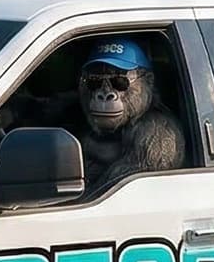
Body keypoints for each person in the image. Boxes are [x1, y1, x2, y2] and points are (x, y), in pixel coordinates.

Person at [75, 36, 185, 194]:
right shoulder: (79, 117)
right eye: (95, 82)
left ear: (148, 82)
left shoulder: (157, 132)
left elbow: (110, 197)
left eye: (120, 82)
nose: (105, 94)